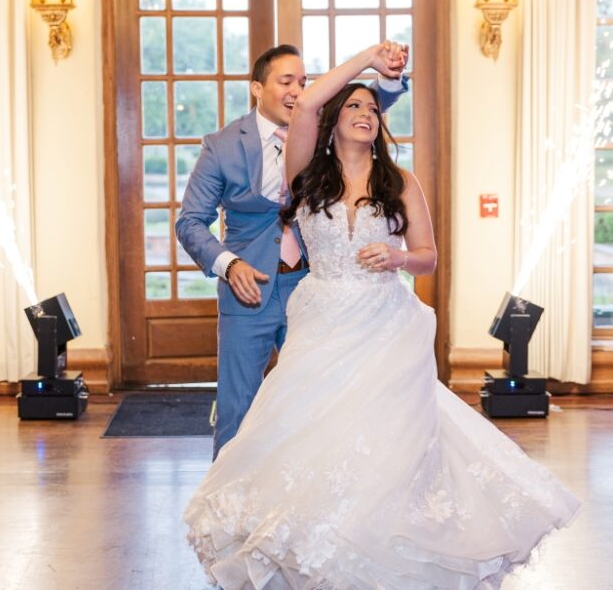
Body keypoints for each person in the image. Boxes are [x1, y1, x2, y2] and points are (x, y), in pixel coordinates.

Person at [183, 43, 580, 589]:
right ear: (330, 122)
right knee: (304, 425)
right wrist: (368, 58)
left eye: (373, 109)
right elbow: (310, 104)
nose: (367, 114)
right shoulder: (306, 175)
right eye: (355, 107)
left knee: (385, 431)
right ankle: (300, 532)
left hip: (385, 320)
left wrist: (397, 258)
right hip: (323, 317)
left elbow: (427, 255)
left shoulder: (401, 181)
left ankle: (381, 536)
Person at [176, 43, 409, 459]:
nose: (297, 91)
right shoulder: (222, 145)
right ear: (256, 88)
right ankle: (226, 508)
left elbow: (368, 104)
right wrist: (230, 266)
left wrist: (389, 75)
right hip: (249, 291)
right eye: (286, 81)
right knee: (238, 406)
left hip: (314, 289)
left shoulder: (318, 129)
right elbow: (190, 221)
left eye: (303, 82)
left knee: (317, 403)